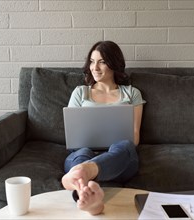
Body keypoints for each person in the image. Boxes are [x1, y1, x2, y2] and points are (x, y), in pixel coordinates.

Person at [61, 41, 146, 215]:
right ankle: (92, 202)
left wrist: (91, 166)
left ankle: (86, 172)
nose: (95, 67)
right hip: (83, 152)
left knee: (125, 146)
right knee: (82, 153)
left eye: (101, 62)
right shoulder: (80, 93)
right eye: (92, 61)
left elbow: (135, 136)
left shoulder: (132, 93)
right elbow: (71, 135)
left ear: (114, 63)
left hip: (120, 159)